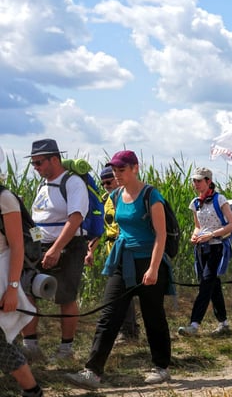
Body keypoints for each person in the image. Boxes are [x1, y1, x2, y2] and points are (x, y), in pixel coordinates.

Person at [65, 150, 173, 389]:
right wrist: (92, 248)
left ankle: (161, 367)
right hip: (123, 262)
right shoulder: (114, 195)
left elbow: (161, 234)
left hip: (148, 261)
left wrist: (154, 268)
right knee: (109, 316)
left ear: (135, 168)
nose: (117, 175)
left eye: (121, 170)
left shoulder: (151, 195)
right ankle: (92, 372)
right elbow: (109, 228)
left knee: (153, 316)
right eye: (114, 171)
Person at [21, 139, 89, 362]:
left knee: (65, 297)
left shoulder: (72, 183)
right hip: (40, 247)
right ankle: (30, 346)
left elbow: (76, 218)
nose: (36, 168)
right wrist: (35, 248)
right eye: (33, 164)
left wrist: (56, 249)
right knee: (27, 291)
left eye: (39, 162)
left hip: (68, 248)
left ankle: (65, 350)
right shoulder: (42, 185)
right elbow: (38, 221)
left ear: (54, 159)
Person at [178, 168, 232, 336]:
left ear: (208, 181)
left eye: (199, 180)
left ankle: (194, 324)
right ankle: (224, 322)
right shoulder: (195, 202)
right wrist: (194, 236)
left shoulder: (220, 200)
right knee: (213, 285)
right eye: (194, 181)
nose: (196, 184)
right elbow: (198, 226)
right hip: (202, 248)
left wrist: (211, 235)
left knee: (205, 284)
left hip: (217, 246)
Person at [84, 166, 140, 343]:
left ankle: (129, 331)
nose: (106, 185)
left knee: (124, 291)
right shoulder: (105, 200)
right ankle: (130, 330)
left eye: (109, 181)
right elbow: (101, 230)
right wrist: (90, 251)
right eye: (103, 183)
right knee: (123, 291)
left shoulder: (129, 198)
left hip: (128, 252)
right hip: (113, 253)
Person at [0, 181, 44, 397]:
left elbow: (17, 246)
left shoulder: (4, 198)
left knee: (1, 343)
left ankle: (32, 391)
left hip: (2, 275)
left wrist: (12, 288)